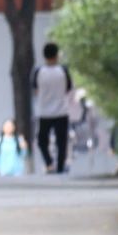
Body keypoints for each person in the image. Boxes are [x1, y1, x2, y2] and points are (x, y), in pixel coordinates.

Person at [32, 42, 74, 174]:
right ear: (57, 55)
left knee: (42, 141)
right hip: (61, 111)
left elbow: (35, 90)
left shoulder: (38, 71)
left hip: (44, 112)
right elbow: (68, 88)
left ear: (44, 55)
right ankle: (60, 167)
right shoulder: (63, 71)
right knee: (62, 142)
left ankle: (49, 163)